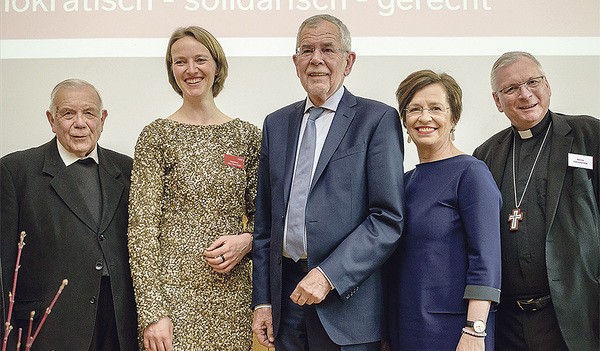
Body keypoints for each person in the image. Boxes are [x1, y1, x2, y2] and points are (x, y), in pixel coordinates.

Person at [251, 14, 405, 350]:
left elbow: (387, 219)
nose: (316, 59)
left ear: (348, 62)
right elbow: (265, 225)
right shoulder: (275, 124)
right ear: (295, 62)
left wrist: (328, 275)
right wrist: (263, 302)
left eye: (327, 49)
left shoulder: (376, 120)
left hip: (347, 303)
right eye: (306, 50)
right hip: (286, 302)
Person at [127, 26, 261, 351]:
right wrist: (152, 313)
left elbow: (268, 220)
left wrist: (246, 241)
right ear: (172, 71)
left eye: (200, 59)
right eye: (180, 62)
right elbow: (141, 229)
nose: (191, 70)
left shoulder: (247, 137)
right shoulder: (156, 136)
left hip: (232, 301)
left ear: (216, 65)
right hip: (171, 301)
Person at [473, 51, 599, 351]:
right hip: (509, 324)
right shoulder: (485, 156)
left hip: (578, 314)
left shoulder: (590, 135)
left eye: (533, 82)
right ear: (497, 101)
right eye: (511, 88)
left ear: (548, 86)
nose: (525, 94)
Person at [0, 79, 138, 350]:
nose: (80, 122)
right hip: (49, 329)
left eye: (89, 113)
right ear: (52, 120)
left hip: (118, 329)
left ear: (102, 118)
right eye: (68, 113)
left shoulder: (128, 169)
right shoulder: (15, 171)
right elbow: (4, 263)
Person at [387, 70, 502, 351]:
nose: (424, 117)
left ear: (454, 118)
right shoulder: (403, 182)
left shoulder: (471, 172)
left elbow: (485, 260)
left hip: (454, 332)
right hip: (404, 328)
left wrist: (475, 332)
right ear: (405, 121)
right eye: (414, 109)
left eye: (436, 108)